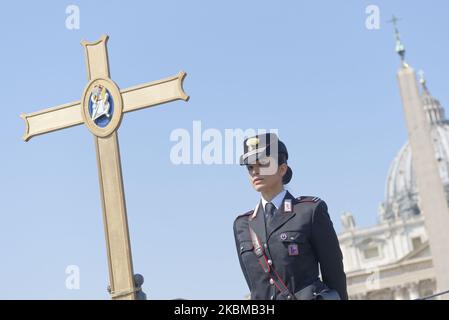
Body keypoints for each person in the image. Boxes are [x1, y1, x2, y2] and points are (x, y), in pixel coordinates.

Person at [233, 133, 348, 300]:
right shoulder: (243, 225)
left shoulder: (310, 211)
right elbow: (256, 288)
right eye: (250, 167)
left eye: (263, 163)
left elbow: (334, 275)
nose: (255, 171)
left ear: (282, 169)